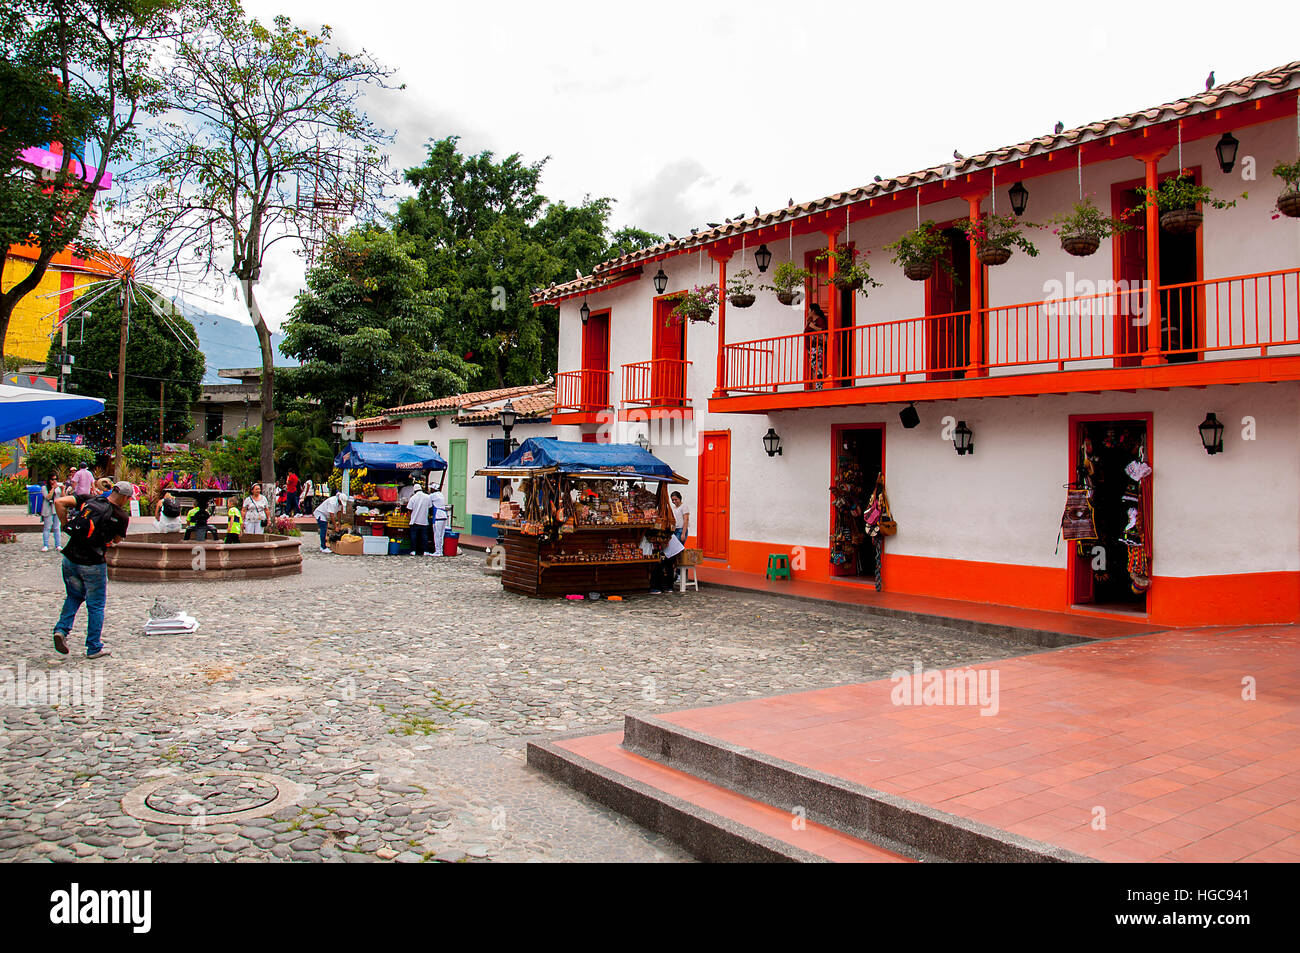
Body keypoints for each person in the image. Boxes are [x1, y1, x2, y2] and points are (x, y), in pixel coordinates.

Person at [51, 480, 131, 659]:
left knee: (74, 595)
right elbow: (117, 540)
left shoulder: (90, 500)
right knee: (95, 605)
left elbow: (59, 502)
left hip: (70, 557)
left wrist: (65, 524)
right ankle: (93, 646)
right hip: (93, 562)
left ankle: (61, 630)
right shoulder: (121, 516)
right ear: (125, 498)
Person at [406, 479, 432, 556]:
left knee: (414, 537)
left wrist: (410, 517)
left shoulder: (413, 498)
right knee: (424, 537)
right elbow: (430, 507)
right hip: (424, 521)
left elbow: (409, 509)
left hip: (415, 520)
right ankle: (426, 551)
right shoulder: (427, 497)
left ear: (414, 490)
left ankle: (413, 550)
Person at [40, 476, 63, 552]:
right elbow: (48, 497)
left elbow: (63, 497)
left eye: (55, 479)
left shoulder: (58, 488)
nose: (54, 481)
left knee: (57, 527)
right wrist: (53, 488)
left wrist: (63, 489)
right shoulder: (44, 488)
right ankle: (45, 545)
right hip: (48, 509)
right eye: (52, 479)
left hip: (56, 509)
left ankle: (58, 545)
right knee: (47, 527)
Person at [429, 482, 449, 556]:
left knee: (437, 535)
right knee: (441, 534)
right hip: (443, 516)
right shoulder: (440, 494)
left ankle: (438, 551)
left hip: (438, 516)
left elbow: (428, 502)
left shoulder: (433, 495)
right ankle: (440, 550)